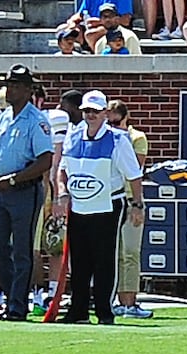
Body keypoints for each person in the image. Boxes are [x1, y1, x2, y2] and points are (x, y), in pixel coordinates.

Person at [57, 91, 141, 325]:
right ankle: (79, 310)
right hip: (79, 207)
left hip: (108, 206)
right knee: (80, 262)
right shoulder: (72, 137)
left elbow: (134, 175)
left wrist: (137, 205)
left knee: (105, 260)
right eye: (87, 111)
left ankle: (104, 310)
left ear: (105, 112)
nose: (90, 115)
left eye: (95, 111)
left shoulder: (117, 140)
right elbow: (62, 170)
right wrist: (62, 193)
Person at [0, 64, 57, 322]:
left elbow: (45, 160)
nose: (10, 90)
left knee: (22, 250)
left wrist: (14, 179)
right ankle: (8, 296)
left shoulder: (37, 121)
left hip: (24, 190)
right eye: (8, 85)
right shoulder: (5, 116)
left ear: (28, 90)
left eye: (15, 86)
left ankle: (17, 305)